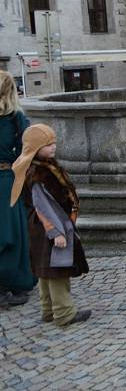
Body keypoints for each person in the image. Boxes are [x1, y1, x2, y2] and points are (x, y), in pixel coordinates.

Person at [9, 124, 90, 326]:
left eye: (54, 143)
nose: (53, 147)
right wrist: (55, 232)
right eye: (48, 144)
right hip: (51, 228)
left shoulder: (44, 167)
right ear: (35, 148)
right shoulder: (38, 174)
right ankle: (64, 313)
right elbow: (42, 206)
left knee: (44, 270)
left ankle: (47, 310)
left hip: (45, 229)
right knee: (57, 271)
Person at [0, 71, 36, 307]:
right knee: (10, 231)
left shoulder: (15, 119)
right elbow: (30, 144)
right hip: (5, 180)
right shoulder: (15, 119)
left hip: (7, 178)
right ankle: (6, 285)